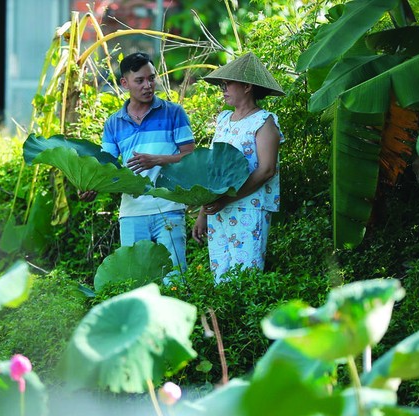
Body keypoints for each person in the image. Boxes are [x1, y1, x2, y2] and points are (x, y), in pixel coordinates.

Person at [80, 52, 195, 281]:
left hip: (169, 208)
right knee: (134, 281)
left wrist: (157, 160)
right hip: (131, 212)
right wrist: (92, 187)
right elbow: (108, 167)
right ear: (125, 83)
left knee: (175, 278)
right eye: (140, 80)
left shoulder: (174, 113)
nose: (148, 85)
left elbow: (192, 157)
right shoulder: (114, 123)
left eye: (151, 78)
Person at [192, 52, 285, 283]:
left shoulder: (264, 122)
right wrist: (204, 212)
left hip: (248, 207)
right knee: (220, 275)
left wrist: (227, 199)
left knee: (245, 276)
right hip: (219, 210)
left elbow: (266, 170)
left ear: (246, 86)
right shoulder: (223, 119)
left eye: (227, 84)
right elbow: (214, 168)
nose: (223, 89)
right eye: (222, 85)